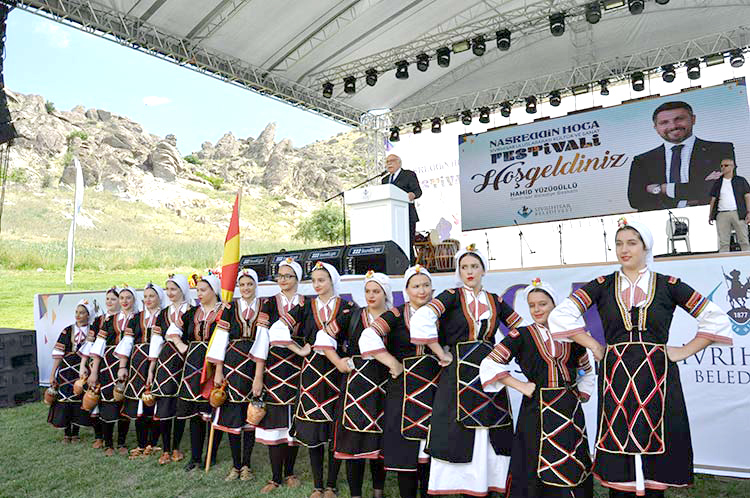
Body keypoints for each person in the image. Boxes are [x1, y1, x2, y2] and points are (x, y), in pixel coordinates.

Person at [548, 218, 733, 497]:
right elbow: (560, 315)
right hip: (616, 375)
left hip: (657, 374)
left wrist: (684, 350)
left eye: (632, 243)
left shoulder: (668, 285)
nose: (624, 249)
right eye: (619, 243)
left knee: (655, 436)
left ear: (645, 247)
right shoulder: (602, 285)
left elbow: (715, 318)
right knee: (619, 433)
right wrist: (594, 346)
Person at [410, 245, 522, 496]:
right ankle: (464, 484)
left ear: (483, 270)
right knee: (459, 427)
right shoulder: (451, 295)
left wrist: (505, 353)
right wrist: (441, 353)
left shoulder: (495, 300)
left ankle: (489, 482)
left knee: (491, 425)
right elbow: (422, 317)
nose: (469, 272)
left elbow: (519, 330)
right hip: (458, 373)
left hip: (490, 373)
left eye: (474, 266)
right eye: (464, 267)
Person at [480, 279, 595, 498]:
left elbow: (587, 369)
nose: (537, 309)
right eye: (532, 305)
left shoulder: (572, 335)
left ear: (554, 304)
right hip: (536, 410)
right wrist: (520, 385)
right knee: (533, 459)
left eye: (542, 304)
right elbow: (490, 363)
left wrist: (582, 393)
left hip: (569, 409)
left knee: (571, 457)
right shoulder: (521, 335)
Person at [269, 261, 356, 498]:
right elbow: (277, 328)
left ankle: (331, 485)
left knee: (334, 429)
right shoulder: (306, 307)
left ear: (332, 282)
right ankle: (318, 485)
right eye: (314, 280)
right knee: (315, 430)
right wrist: (300, 350)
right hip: (312, 373)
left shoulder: (347, 307)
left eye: (322, 280)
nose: (317, 285)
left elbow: (355, 337)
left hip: (336, 372)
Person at [359, 264, 435, 498]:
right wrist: (392, 363)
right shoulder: (395, 314)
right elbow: (368, 337)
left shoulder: (439, 312)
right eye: (415, 286)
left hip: (434, 386)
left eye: (425, 285)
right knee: (405, 446)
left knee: (429, 445)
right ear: (407, 290)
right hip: (401, 388)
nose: (421, 291)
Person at [325, 271, 389, 498]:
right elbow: (324, 338)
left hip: (383, 386)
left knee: (378, 442)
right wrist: (338, 362)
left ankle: (378, 492)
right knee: (353, 442)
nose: (371, 296)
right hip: (355, 386)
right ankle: (355, 494)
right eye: (368, 291)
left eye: (376, 291)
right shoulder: (353, 316)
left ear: (385, 293)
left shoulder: (394, 317)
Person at [206, 268, 267, 481]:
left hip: (253, 365)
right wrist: (219, 370)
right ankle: (235, 465)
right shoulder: (230, 307)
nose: (246, 288)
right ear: (237, 287)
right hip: (232, 365)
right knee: (232, 416)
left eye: (250, 284)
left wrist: (259, 376)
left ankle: (247, 465)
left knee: (250, 415)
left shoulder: (264, 306)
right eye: (242, 285)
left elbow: (263, 340)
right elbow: (221, 337)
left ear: (255, 285)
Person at [627, 101, 735, 211]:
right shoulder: (642, 161)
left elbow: (724, 188)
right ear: (656, 128)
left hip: (710, 215)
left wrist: (662, 188)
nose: (673, 126)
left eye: (679, 119)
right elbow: (636, 200)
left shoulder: (720, 150)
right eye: (664, 122)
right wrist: (697, 189)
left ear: (693, 119)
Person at [255, 258, 304, 493]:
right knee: (275, 422)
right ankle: (275, 477)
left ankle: (290, 472)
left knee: (292, 421)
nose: (282, 280)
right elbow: (262, 339)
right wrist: (258, 375)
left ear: (297, 279)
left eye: (288, 276)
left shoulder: (306, 304)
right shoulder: (269, 304)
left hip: (299, 366)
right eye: (280, 276)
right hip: (274, 366)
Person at [176, 274, 225, 472]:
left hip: (214, 363)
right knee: (196, 413)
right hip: (193, 364)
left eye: (203, 290)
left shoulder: (224, 311)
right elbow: (171, 330)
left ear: (214, 291)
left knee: (213, 408)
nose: (200, 294)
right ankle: (195, 456)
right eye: (197, 290)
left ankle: (211, 454)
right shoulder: (192, 312)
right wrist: (181, 346)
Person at [88, 285, 140, 456]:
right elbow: (98, 346)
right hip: (108, 364)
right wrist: (94, 372)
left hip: (131, 362)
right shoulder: (110, 320)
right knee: (107, 401)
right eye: (122, 298)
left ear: (133, 300)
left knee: (123, 401)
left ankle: (122, 442)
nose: (124, 301)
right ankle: (108, 443)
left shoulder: (138, 319)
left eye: (128, 298)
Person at [147, 274, 193, 465]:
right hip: (166, 362)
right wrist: (151, 368)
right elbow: (156, 342)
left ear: (182, 290)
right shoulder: (163, 313)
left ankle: (176, 447)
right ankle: (166, 449)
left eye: (174, 289)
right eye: (168, 289)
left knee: (180, 405)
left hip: (185, 359)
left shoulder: (192, 311)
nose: (170, 293)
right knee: (165, 406)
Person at [119, 283, 167, 459]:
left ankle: (152, 443)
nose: (148, 300)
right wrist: (123, 366)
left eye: (151, 296)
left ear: (159, 298)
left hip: (159, 363)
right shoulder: (136, 318)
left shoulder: (164, 315)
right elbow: (127, 342)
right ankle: (141, 443)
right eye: (145, 296)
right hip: (138, 364)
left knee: (154, 404)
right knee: (140, 403)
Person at [47, 299, 97, 443]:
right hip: (66, 370)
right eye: (76, 312)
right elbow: (58, 354)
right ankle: (66, 433)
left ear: (88, 315)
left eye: (82, 313)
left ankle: (75, 432)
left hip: (82, 370)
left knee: (78, 399)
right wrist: (52, 374)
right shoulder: (67, 330)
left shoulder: (92, 331)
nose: (78, 315)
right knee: (64, 399)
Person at [86, 287, 120, 449]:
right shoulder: (99, 320)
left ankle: (117, 441)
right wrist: (88, 366)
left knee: (114, 399)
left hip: (116, 364)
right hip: (97, 363)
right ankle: (99, 436)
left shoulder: (125, 319)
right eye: (107, 299)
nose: (109, 302)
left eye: (113, 299)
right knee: (95, 399)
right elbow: (91, 343)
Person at [382, 154, 422, 264]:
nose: (389, 163)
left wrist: (413, 194)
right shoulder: (384, 180)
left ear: (399, 163)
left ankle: (410, 267)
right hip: (392, 218)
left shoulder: (408, 175)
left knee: (408, 244)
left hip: (407, 215)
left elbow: (418, 191)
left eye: (392, 161)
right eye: (387, 162)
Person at [708, 158, 750, 252]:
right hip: (722, 214)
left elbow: (747, 196)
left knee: (743, 240)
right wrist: (710, 214)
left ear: (732, 167)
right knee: (723, 242)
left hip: (738, 213)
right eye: (721, 166)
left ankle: (747, 261)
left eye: (726, 165)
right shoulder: (718, 182)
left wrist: (748, 212)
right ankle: (724, 262)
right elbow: (713, 199)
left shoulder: (740, 180)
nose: (723, 167)